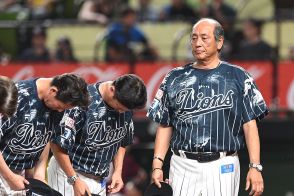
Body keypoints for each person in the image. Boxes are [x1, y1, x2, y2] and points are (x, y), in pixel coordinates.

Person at [147, 18, 268, 196]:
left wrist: (255, 166)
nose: (198, 43)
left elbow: (250, 126)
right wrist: (157, 165)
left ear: (220, 42)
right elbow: (165, 124)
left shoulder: (239, 77)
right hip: (182, 165)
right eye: (194, 38)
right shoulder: (174, 77)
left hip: (223, 164)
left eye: (204, 38)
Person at [47, 74, 147, 196]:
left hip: (99, 180)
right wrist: (74, 179)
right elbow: (57, 144)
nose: (121, 111)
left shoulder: (125, 104)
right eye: (120, 107)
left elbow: (122, 141)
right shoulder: (82, 101)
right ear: (112, 90)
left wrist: (117, 172)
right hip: (69, 174)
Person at [0, 73, 89, 195]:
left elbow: (46, 136)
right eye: (59, 106)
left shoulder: (58, 106)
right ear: (53, 91)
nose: (60, 111)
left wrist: (39, 174)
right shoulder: (17, 96)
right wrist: (9, 176)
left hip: (20, 175)